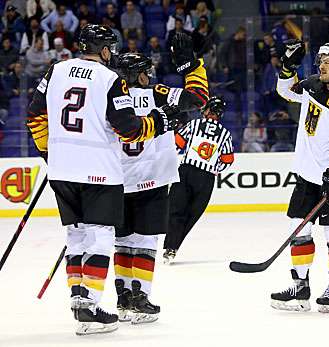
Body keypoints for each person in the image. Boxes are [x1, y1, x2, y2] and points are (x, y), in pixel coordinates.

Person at [25, 24, 182, 336]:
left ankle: (78, 299)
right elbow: (130, 130)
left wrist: (49, 152)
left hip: (62, 170)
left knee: (75, 237)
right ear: (106, 50)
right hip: (99, 172)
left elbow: (34, 116)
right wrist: (160, 121)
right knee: (100, 237)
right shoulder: (110, 79)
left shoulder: (55, 71)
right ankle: (91, 305)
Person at [111, 35, 209, 324]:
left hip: (117, 181)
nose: (149, 75)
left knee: (122, 243)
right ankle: (140, 298)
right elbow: (198, 99)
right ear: (140, 74)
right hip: (151, 180)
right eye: (146, 71)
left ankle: (123, 300)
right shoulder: (156, 93)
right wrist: (193, 67)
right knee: (144, 240)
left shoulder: (109, 99)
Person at [272, 40, 329, 313]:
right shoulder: (313, 85)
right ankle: (300, 288)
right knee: (297, 228)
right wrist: (289, 66)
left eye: (327, 62)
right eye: (320, 61)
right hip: (307, 175)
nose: (321, 66)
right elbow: (285, 91)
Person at [162, 96, 234, 263]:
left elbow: (176, 145)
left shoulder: (194, 124)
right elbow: (228, 160)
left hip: (186, 172)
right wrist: (214, 170)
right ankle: (174, 248)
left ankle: (170, 247)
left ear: (209, 110)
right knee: (191, 215)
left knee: (175, 211)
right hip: (206, 179)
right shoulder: (225, 134)